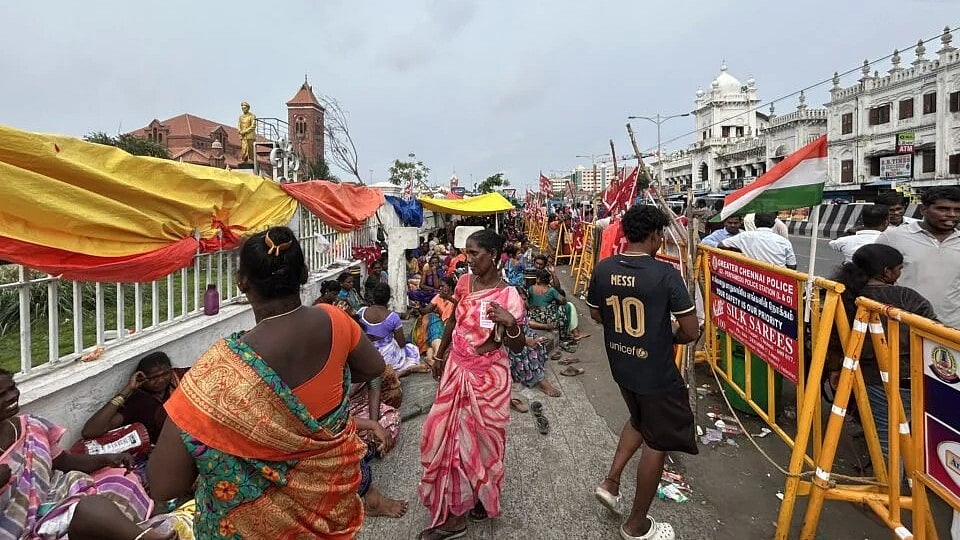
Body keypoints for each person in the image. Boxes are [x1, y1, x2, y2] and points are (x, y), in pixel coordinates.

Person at [148, 226, 386, 538]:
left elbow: (165, 485)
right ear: (303, 274)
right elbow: (374, 367)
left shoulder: (217, 373)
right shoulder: (335, 320)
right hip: (330, 514)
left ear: (242, 281)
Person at [586, 205, 700, 540]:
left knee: (639, 420)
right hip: (656, 372)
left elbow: (596, 315)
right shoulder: (665, 274)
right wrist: (668, 336)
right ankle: (637, 524)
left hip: (622, 365)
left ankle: (611, 482)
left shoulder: (604, 268)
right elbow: (691, 330)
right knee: (657, 439)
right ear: (654, 236)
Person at [418, 230, 527, 540]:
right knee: (443, 438)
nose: (468, 259)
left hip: (489, 383)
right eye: (466, 253)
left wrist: (511, 323)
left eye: (475, 253)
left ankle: (472, 503)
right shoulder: (465, 283)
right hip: (456, 370)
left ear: (493, 255)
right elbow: (452, 321)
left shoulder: (509, 296)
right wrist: (440, 358)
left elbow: (516, 347)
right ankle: (456, 512)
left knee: (482, 443)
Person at [0, 369, 176, 540]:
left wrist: (108, 458)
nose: (11, 396)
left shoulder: (31, 425)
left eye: (12, 388)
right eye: (1, 394)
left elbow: (63, 461)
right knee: (90, 509)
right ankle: (141, 535)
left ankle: (136, 531)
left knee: (120, 480)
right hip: (15, 524)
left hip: (56, 494)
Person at [831, 244, 937, 457]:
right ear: (887, 271)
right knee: (901, 434)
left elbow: (835, 340)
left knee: (884, 430)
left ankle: (893, 478)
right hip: (908, 376)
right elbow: (936, 332)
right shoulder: (907, 297)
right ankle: (897, 485)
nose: (899, 273)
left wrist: (835, 369)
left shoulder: (845, 296)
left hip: (866, 376)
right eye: (898, 268)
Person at [876, 186, 960, 329]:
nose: (952, 214)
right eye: (943, 209)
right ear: (923, 210)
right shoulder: (893, 238)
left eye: (957, 210)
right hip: (903, 327)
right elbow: (874, 282)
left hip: (951, 330)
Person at [81, 352, 186, 445]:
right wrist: (127, 389)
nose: (161, 380)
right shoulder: (138, 402)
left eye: (165, 374)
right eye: (153, 378)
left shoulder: (179, 381)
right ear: (141, 378)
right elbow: (90, 431)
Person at [360, 283, 430, 376]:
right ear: (389, 298)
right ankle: (407, 369)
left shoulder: (361, 312)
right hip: (386, 358)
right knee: (411, 349)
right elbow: (401, 343)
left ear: (373, 296)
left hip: (366, 355)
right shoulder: (393, 317)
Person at [531, 255, 588, 342]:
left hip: (540, 310)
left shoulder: (545, 275)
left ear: (544, 265)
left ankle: (574, 332)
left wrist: (553, 273)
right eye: (537, 263)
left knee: (566, 306)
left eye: (541, 264)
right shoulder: (530, 274)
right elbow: (560, 296)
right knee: (568, 306)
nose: (538, 266)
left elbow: (557, 288)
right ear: (533, 262)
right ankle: (574, 333)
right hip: (539, 311)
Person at [719, 212, 798, 269]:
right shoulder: (784, 242)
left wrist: (740, 252)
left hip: (754, 281)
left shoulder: (744, 236)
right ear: (773, 223)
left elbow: (721, 245)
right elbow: (792, 266)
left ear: (755, 222)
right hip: (778, 283)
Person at [410, 276, 457, 366]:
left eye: (443, 286)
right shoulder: (439, 297)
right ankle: (432, 358)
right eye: (439, 287)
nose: (440, 288)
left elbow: (453, 316)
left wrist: (447, 297)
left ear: (450, 287)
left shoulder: (455, 297)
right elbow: (425, 311)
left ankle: (434, 357)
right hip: (441, 326)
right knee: (430, 319)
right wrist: (419, 306)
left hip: (450, 327)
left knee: (433, 322)